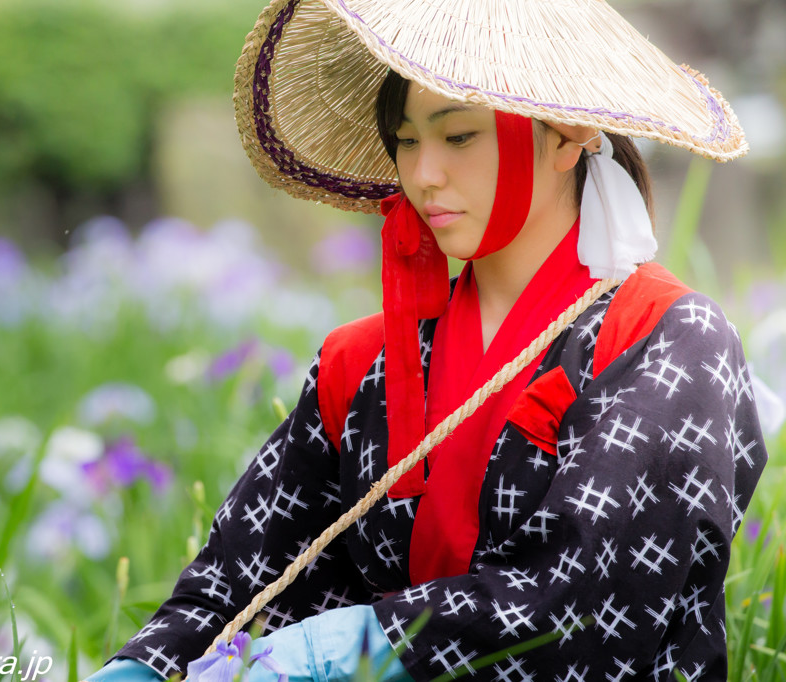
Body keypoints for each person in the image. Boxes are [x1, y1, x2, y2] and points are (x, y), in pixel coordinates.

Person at [88, 0, 768, 679]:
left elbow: (582, 601)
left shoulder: (667, 338)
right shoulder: (359, 365)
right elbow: (230, 585)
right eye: (407, 140)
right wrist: (143, 666)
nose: (423, 175)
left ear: (567, 134)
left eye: (458, 136)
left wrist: (350, 648)